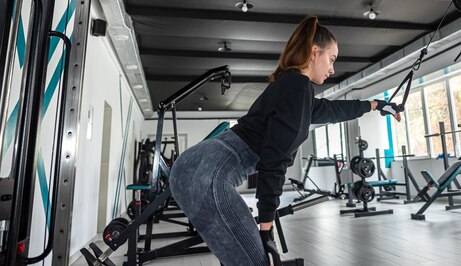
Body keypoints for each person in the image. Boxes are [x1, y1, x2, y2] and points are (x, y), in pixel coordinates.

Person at [169, 16, 402, 266]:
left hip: (190, 164)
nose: (333, 69)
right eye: (331, 59)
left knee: (239, 257)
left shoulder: (291, 85)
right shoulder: (298, 89)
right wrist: (266, 225)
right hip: (213, 170)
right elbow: (274, 158)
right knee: (256, 260)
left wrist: (375, 105)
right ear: (315, 52)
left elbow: (330, 110)